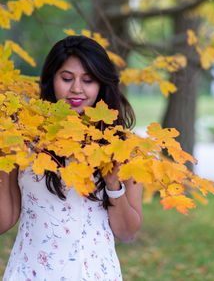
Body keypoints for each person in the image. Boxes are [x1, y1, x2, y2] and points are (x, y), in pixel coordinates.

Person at [0, 35, 143, 281]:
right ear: (51, 80)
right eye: (66, 78)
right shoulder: (25, 138)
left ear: (101, 86)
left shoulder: (121, 145)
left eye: (88, 80)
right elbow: (4, 221)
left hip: (95, 273)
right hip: (30, 272)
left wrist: (113, 184)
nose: (76, 88)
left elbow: (127, 232)